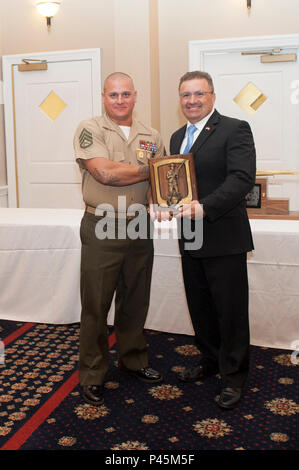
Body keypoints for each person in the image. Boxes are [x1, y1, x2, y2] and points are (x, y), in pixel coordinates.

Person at [73, 72, 164, 406]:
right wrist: (149, 169)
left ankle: (134, 360)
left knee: (136, 297)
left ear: (136, 96)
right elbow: (104, 173)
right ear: (103, 97)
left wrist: (167, 197)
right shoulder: (90, 129)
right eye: (114, 95)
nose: (121, 100)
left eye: (126, 94)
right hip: (102, 223)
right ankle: (93, 373)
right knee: (96, 303)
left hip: (139, 224)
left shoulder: (151, 134)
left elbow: (161, 181)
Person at [170, 71, 256, 409]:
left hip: (223, 234)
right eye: (185, 95)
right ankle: (210, 361)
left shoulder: (234, 129)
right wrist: (163, 204)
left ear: (212, 96)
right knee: (200, 306)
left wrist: (205, 207)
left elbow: (241, 179)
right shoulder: (177, 136)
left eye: (198, 94)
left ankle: (234, 376)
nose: (192, 100)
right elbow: (174, 183)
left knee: (230, 310)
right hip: (189, 235)